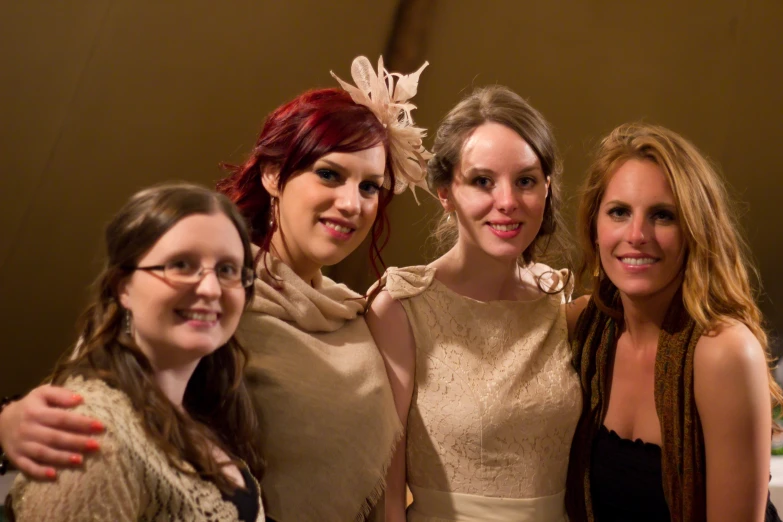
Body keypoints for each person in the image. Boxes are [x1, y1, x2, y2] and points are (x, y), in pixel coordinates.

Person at [0, 55, 431, 522]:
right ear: (273, 175)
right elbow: (93, 388)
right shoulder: (207, 298)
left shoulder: (358, 318)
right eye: (329, 174)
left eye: (370, 187)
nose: (351, 203)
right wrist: (7, 422)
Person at [367, 85, 581, 522]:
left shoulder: (559, 298)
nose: (507, 202)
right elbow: (386, 496)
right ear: (445, 192)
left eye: (525, 181)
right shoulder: (401, 307)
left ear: (547, 189)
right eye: (483, 181)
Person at [5, 183, 265, 521]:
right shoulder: (92, 437)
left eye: (227, 269)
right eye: (182, 264)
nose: (211, 288)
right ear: (122, 286)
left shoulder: (209, 407)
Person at [564, 122, 782, 521]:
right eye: (619, 212)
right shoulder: (583, 327)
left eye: (662, 216)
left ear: (695, 232)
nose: (637, 234)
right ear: (595, 227)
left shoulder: (724, 352)